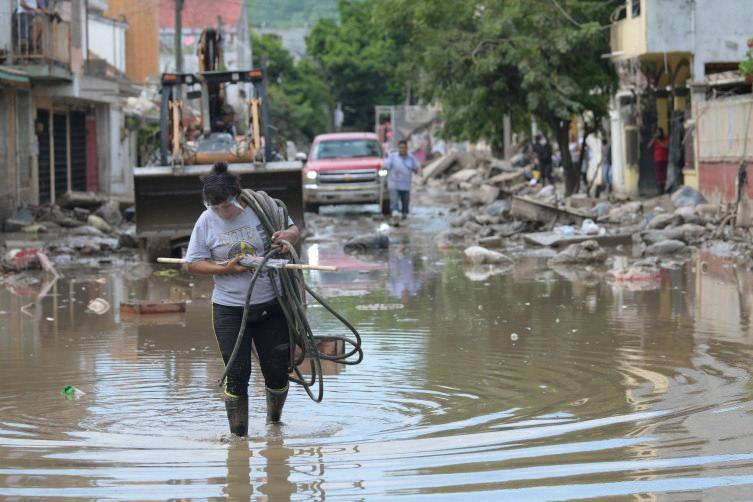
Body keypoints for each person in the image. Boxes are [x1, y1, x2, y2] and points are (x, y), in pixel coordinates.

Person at [185, 162, 300, 436]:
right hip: (229, 308)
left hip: (272, 305)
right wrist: (224, 268)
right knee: (237, 374)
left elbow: (293, 230)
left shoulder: (264, 209)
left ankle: (274, 425)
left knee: (277, 370)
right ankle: (239, 439)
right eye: (214, 207)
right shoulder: (206, 221)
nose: (221, 212)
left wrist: (287, 237)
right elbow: (193, 263)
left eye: (225, 206)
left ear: (237, 197)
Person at [383, 139, 421, 220]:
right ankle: (395, 216)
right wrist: (382, 173)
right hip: (394, 184)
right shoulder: (393, 156)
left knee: (405, 206)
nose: (402, 149)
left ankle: (404, 217)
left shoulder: (411, 158)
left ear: (407, 148)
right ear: (398, 148)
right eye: (401, 148)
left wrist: (419, 171)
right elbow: (386, 167)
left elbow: (417, 167)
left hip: (405, 185)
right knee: (394, 202)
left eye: (404, 148)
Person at [649, 127, 669, 194]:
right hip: (657, 160)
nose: (658, 133)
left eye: (659, 132)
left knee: (664, 174)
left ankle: (663, 188)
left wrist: (659, 141)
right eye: (657, 132)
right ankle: (659, 190)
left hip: (664, 159)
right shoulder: (655, 140)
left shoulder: (665, 139)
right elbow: (649, 146)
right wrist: (654, 138)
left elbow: (666, 146)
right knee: (658, 175)